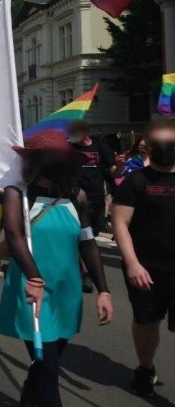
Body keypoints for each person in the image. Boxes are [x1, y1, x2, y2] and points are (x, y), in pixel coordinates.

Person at [0, 131, 112, 407]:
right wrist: (34, 278)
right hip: (31, 290)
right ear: (35, 160)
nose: (59, 161)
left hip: (66, 292)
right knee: (48, 366)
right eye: (52, 155)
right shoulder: (17, 194)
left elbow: (87, 243)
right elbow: (14, 236)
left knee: (48, 362)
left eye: (64, 156)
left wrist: (104, 290)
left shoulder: (77, 196)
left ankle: (27, 403)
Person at [111, 119, 175, 397]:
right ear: (148, 146)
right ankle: (145, 367)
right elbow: (119, 223)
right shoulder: (135, 181)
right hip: (146, 269)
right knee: (147, 321)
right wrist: (133, 263)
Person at [68, 120, 117, 285]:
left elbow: (112, 170)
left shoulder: (100, 146)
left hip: (96, 197)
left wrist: (120, 166)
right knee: (80, 233)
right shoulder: (70, 148)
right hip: (76, 196)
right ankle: (84, 271)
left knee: (91, 233)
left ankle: (82, 266)